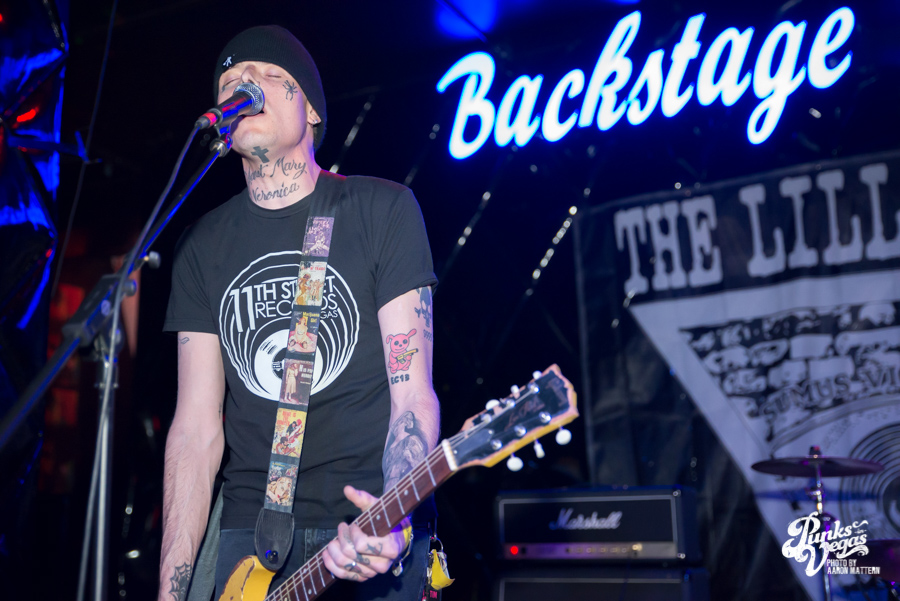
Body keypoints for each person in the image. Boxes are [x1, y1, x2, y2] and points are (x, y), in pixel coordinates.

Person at [157, 25, 439, 601]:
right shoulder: (201, 245)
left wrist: (392, 515)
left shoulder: (381, 210)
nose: (244, 84)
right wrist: (170, 588)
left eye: (267, 74)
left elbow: (412, 395)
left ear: (311, 109)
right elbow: (195, 431)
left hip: (364, 523)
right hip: (249, 538)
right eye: (231, 82)